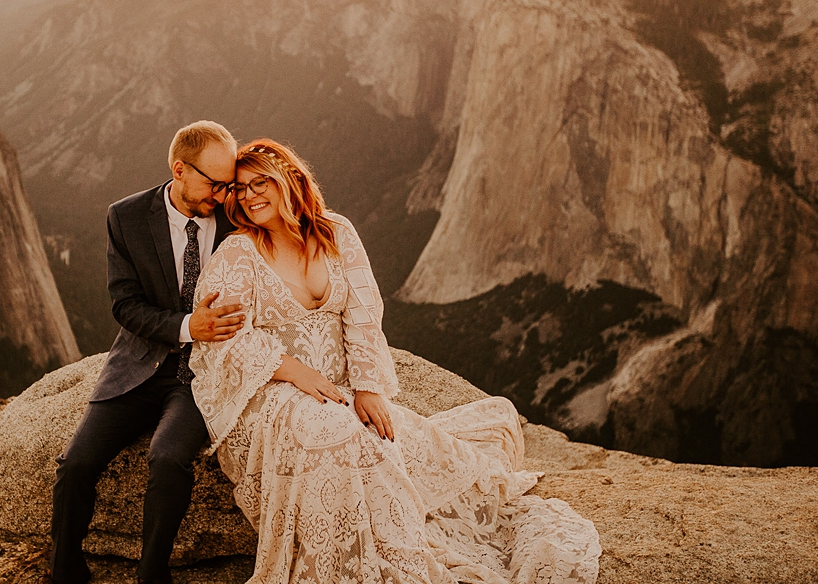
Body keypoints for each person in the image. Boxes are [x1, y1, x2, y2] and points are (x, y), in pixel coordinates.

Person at [189, 139, 602, 584]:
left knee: (378, 436)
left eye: (259, 183)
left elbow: (364, 314)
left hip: (337, 388)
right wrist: (292, 370)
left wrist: (367, 387)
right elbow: (226, 340)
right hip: (271, 394)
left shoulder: (336, 233)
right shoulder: (238, 253)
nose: (249, 197)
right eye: (240, 189)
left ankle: (398, 544)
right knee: (336, 435)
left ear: (290, 179)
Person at [47, 121, 247, 584]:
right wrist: (185, 326)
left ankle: (151, 572)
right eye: (213, 184)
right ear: (180, 169)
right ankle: (65, 568)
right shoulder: (127, 216)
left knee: (168, 457)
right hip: (138, 366)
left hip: (204, 373)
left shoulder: (238, 219)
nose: (221, 195)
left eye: (226, 185)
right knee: (76, 462)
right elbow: (124, 303)